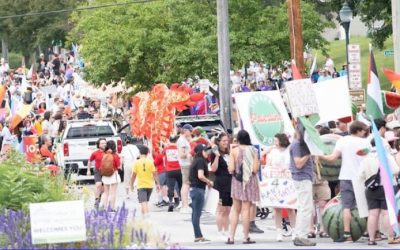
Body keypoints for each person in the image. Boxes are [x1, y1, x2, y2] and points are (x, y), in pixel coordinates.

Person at [320, 121, 370, 242]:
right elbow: (368, 159)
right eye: (363, 130)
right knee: (365, 205)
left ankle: (347, 235)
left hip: (346, 177)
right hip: (362, 178)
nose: (364, 132)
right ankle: (371, 232)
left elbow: (332, 158)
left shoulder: (342, 141)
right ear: (358, 130)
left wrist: (320, 156)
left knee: (346, 206)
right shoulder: (365, 142)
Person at [359, 139, 400, 245]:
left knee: (372, 214)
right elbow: (396, 171)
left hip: (370, 189)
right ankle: (391, 237)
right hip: (385, 187)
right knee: (386, 213)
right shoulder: (385, 156)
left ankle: (371, 239)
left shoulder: (366, 156)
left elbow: (360, 175)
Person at [227, 130, 260, 245]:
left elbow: (231, 168)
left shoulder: (234, 151)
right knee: (246, 210)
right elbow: (255, 170)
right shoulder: (253, 151)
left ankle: (231, 237)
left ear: (238, 139)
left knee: (235, 209)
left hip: (237, 181)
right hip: (249, 181)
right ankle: (245, 237)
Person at [289, 127, 317, 247]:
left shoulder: (298, 144)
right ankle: (302, 235)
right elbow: (298, 163)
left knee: (302, 207)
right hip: (302, 178)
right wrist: (308, 154)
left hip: (302, 178)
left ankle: (298, 234)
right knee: (306, 208)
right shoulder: (297, 145)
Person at [266, 133, 296, 242]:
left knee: (290, 207)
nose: (274, 142)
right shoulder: (272, 152)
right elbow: (268, 166)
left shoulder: (290, 150)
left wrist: (287, 169)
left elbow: (294, 164)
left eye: (276, 140)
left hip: (288, 180)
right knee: (277, 207)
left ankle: (294, 231)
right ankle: (279, 232)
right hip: (276, 180)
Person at [189, 143, 214, 242]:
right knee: (197, 213)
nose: (207, 152)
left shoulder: (195, 161)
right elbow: (200, 175)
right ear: (200, 152)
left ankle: (198, 235)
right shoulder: (200, 161)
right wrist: (208, 181)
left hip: (195, 189)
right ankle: (198, 236)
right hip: (198, 189)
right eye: (205, 150)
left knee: (195, 213)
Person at [210, 132, 232, 239]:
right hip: (220, 183)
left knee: (228, 209)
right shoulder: (214, 153)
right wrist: (217, 157)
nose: (225, 143)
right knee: (221, 209)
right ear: (218, 142)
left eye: (227, 141)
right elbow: (213, 169)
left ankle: (226, 230)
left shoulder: (229, 153)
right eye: (223, 141)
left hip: (230, 183)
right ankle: (219, 231)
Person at [131, 145, 160, 218]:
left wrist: (131, 185)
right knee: (145, 202)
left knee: (143, 202)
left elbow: (133, 175)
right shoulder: (150, 162)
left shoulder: (136, 163)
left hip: (141, 185)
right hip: (149, 185)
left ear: (139, 153)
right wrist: (157, 184)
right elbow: (154, 174)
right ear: (147, 153)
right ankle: (143, 217)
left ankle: (147, 215)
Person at [177, 124, 193, 213]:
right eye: (190, 131)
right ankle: (185, 205)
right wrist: (190, 152)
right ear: (186, 130)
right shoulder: (182, 141)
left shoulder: (183, 140)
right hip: (185, 164)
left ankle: (185, 205)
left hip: (186, 164)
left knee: (186, 184)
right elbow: (181, 155)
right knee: (186, 184)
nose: (191, 133)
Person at [101, 140, 121, 211]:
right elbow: (119, 167)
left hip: (105, 175)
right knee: (113, 193)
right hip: (113, 174)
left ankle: (105, 208)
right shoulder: (115, 155)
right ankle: (112, 208)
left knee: (106, 192)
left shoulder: (103, 154)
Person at [164, 136, 182, 212]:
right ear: (176, 140)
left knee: (170, 187)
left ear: (169, 140)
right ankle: (182, 201)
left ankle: (171, 201)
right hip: (179, 169)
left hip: (170, 170)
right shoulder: (179, 148)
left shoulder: (166, 149)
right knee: (181, 186)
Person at [87, 138, 107, 209]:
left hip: (106, 172)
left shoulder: (108, 152)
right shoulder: (95, 153)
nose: (104, 144)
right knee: (98, 185)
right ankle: (96, 201)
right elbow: (89, 160)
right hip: (97, 171)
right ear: (98, 145)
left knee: (104, 189)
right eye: (102, 143)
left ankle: (100, 198)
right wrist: (88, 170)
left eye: (105, 143)